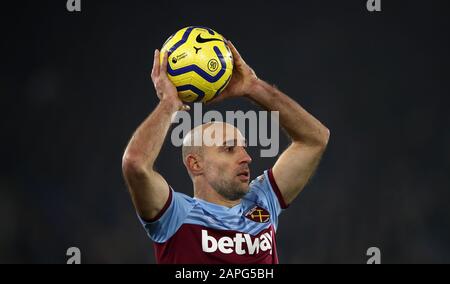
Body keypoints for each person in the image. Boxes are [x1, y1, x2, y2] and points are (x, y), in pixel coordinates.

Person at [122, 41, 330, 264]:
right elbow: (135, 164)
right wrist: (168, 104)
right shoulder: (174, 216)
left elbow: (315, 138)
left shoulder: (261, 202)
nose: (247, 158)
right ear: (195, 164)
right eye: (229, 149)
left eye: (244, 147)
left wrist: (254, 88)